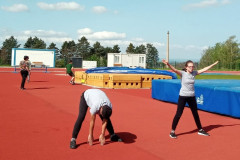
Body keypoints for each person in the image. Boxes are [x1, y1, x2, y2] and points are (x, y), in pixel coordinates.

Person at [162, 59, 219, 139]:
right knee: (179, 114)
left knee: (195, 113)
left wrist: (213, 64)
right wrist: (168, 64)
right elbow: (174, 69)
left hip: (191, 96)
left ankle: (200, 129)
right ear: (186, 67)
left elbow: (204, 69)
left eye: (192, 66)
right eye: (190, 66)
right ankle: (172, 131)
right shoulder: (183, 73)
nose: (191, 68)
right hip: (183, 96)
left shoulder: (194, 73)